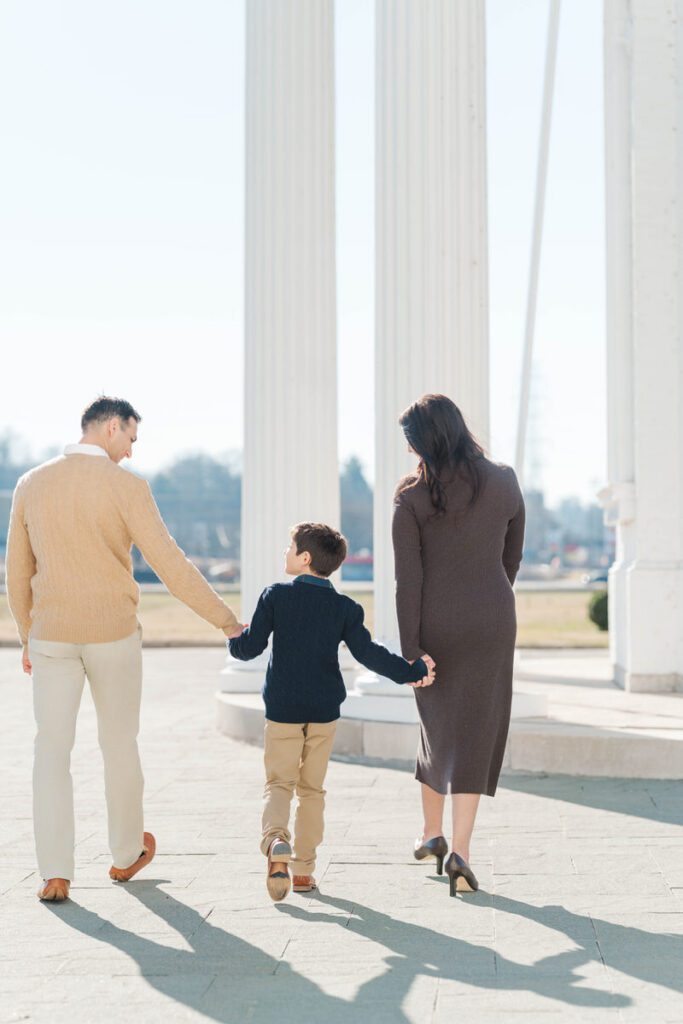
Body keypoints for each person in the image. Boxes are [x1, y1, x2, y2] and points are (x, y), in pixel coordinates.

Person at [5, 396, 244, 903]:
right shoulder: (128, 487)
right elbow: (170, 563)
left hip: (51, 635)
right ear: (112, 427)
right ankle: (125, 852)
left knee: (50, 750)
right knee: (119, 745)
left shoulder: (31, 484)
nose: (132, 451)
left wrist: (28, 635)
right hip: (112, 634)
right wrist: (225, 620)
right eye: (131, 438)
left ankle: (55, 873)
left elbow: (17, 572)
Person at [228, 521, 436, 902]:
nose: (285, 552)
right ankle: (304, 871)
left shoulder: (275, 596)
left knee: (279, 783)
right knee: (312, 790)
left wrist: (232, 639)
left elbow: (250, 648)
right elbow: (370, 654)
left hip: (283, 708)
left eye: (290, 547)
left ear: (305, 558)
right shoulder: (345, 608)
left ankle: (275, 841)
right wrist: (413, 672)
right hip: (324, 711)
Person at [392, 394, 525, 897]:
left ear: (425, 442)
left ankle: (432, 833)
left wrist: (411, 650)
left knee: (435, 727)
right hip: (493, 621)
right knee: (476, 734)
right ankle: (459, 852)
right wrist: (489, 598)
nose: (410, 451)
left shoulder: (410, 497)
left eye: (412, 442)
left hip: (436, 626)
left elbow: (408, 582)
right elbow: (512, 557)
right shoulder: (504, 480)